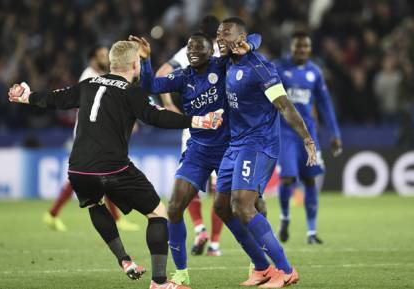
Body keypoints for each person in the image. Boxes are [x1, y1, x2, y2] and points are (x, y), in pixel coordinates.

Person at [8, 40, 224, 289]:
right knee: (158, 214)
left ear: (111, 63)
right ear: (135, 65)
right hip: (114, 167)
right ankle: (160, 282)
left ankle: (124, 260)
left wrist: (26, 97)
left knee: (94, 204)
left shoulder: (88, 84)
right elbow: (156, 116)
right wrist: (198, 121)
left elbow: (56, 99)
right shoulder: (130, 91)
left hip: (77, 168)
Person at [133, 31, 261, 286]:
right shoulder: (183, 77)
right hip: (198, 151)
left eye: (197, 48)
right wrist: (146, 61)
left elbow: (257, 38)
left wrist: (245, 44)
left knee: (246, 207)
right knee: (174, 207)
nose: (191, 51)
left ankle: (259, 263)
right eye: (189, 47)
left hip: (230, 148)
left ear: (210, 50)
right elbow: (150, 86)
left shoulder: (223, 65)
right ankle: (181, 273)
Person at [214, 17, 317, 288]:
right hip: (235, 144)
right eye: (218, 34)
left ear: (241, 38)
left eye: (225, 33)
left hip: (259, 144)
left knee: (242, 206)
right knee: (222, 207)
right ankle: (261, 268)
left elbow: (284, 104)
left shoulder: (260, 68)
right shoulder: (227, 61)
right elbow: (253, 37)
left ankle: (285, 270)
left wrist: (307, 138)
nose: (219, 38)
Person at [43, 45, 140, 232]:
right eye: (102, 55)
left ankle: (54, 213)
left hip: (94, 133)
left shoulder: (97, 76)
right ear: (92, 59)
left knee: (100, 173)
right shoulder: (89, 77)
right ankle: (53, 213)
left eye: (106, 54)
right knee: (100, 173)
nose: (106, 58)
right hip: (89, 133)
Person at [155, 15, 225, 257]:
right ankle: (215, 243)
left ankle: (199, 228)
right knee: (219, 189)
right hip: (222, 129)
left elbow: (161, 73)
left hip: (193, 125)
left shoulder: (189, 50)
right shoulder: (223, 51)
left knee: (188, 185)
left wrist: (167, 104)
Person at [274, 32, 342, 244]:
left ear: (310, 49)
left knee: (310, 179)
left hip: (308, 133)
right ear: (291, 47)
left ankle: (311, 232)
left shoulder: (315, 72)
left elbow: (325, 105)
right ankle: (285, 218)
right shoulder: (278, 68)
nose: (301, 50)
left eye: (305, 47)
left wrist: (335, 134)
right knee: (287, 178)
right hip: (285, 132)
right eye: (298, 47)